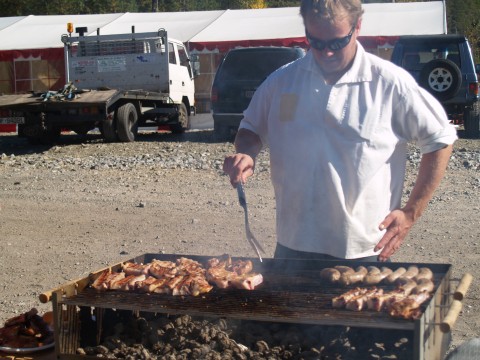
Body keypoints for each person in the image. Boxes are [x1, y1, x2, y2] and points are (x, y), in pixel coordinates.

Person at [222, 0, 457, 262]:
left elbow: (440, 139)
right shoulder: (281, 82)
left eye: (336, 43)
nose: (326, 53)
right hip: (292, 247)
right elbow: (250, 128)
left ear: (358, 26)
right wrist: (247, 153)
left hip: (364, 252)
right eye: (316, 42)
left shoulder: (389, 84)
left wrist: (411, 213)